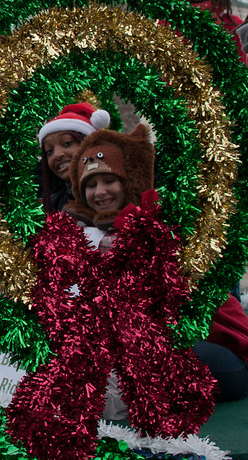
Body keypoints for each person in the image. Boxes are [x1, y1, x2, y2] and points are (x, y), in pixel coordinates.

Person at [64, 126, 248, 402]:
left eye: (109, 181)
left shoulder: (161, 221)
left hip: (219, 352)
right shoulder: (94, 234)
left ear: (130, 181)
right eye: (90, 185)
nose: (99, 192)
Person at [38, 102, 109, 213]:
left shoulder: (118, 192)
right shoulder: (52, 206)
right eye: (49, 151)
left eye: (67, 144)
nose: (57, 155)